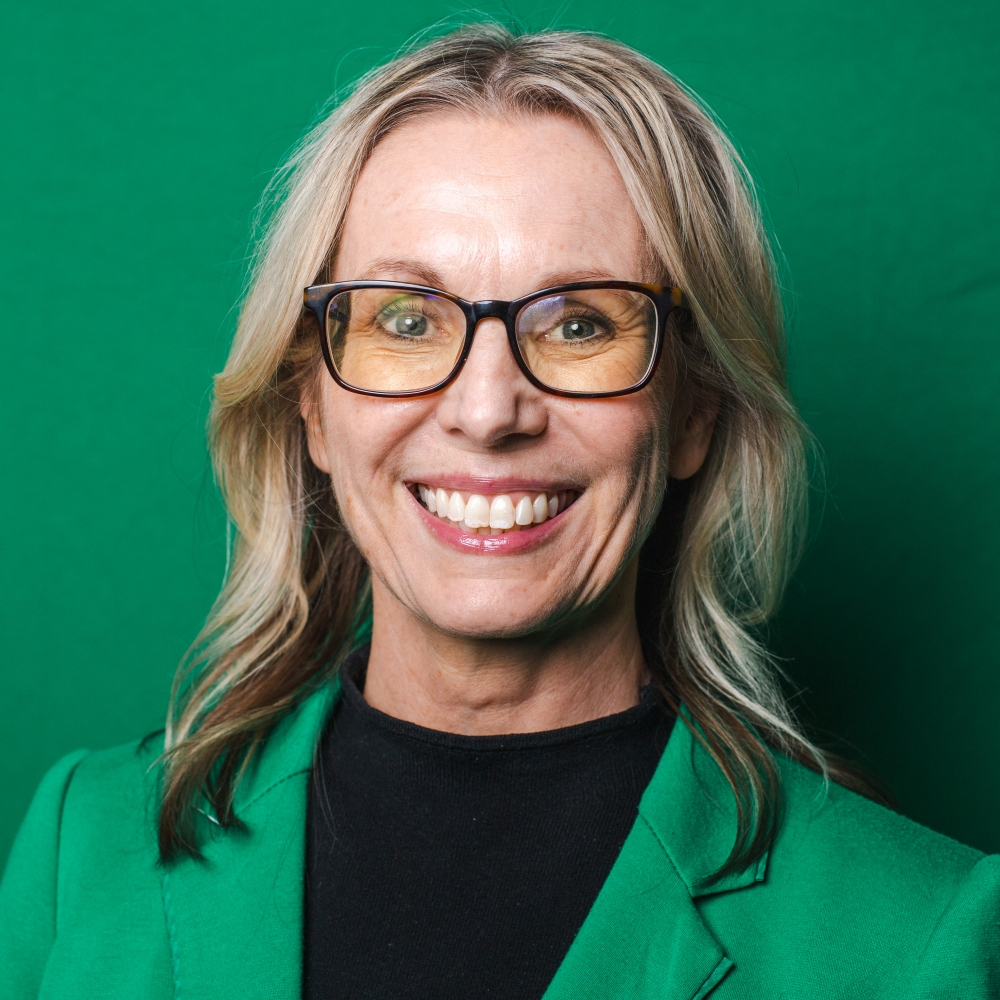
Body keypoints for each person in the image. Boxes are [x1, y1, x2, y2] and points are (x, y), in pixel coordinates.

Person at [1, 23, 997, 1000]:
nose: (486, 411)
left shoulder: (919, 936)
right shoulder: (80, 847)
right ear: (309, 400)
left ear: (693, 410)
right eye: (403, 318)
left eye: (577, 325)